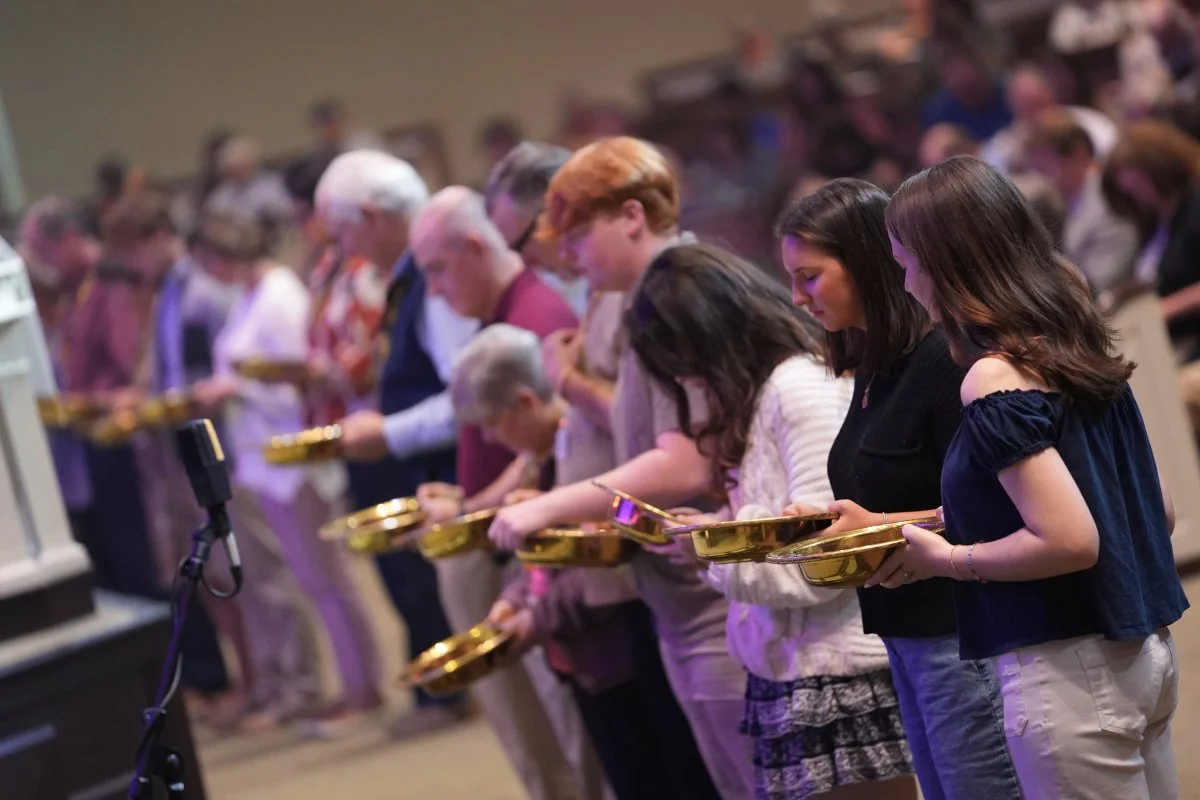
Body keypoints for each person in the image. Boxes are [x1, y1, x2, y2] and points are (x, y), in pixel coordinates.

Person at [881, 155, 1187, 799]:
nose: (906, 284)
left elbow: (1070, 538)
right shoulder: (1072, 338)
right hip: (1141, 656)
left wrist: (950, 560)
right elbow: (1154, 511)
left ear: (947, 263)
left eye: (907, 263)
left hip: (1072, 672)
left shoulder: (993, 376)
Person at [488, 136, 756, 799]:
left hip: (717, 592)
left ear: (631, 216)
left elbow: (688, 458)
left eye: (576, 237)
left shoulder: (679, 294)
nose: (566, 257)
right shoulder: (642, 297)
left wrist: (549, 507)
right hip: (678, 593)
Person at [626, 242, 917, 800]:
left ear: (712, 343)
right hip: (798, 668)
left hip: (838, 673)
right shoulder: (770, 393)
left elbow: (826, 556)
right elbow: (780, 525)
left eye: (688, 370)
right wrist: (716, 530)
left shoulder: (798, 389)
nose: (689, 386)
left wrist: (716, 552)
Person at [776, 178, 1023, 800]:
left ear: (864, 263)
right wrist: (832, 520)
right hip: (907, 635)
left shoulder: (943, 358)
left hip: (961, 630)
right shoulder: (878, 367)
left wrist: (879, 525)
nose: (797, 297)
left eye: (809, 277)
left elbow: (999, 502)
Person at [408, 186, 590, 800]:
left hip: (534, 553)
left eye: (436, 269)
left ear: (475, 246)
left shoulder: (534, 317)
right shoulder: (501, 313)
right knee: (532, 731)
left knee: (561, 736)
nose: (433, 288)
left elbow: (547, 452)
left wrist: (468, 508)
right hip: (508, 544)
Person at [189, 211, 382, 735]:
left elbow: (305, 378)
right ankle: (353, 684)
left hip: (292, 454)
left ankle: (362, 687)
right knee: (316, 579)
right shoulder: (252, 296)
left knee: (328, 580)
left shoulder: (277, 296)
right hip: (263, 456)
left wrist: (239, 389)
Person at [454, 323, 666, 800]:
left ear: (526, 402)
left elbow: (602, 557)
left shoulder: (584, 447)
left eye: (492, 422)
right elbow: (541, 560)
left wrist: (535, 615)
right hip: (582, 654)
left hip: (619, 650)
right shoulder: (541, 458)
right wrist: (514, 601)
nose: (489, 438)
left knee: (650, 778)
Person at [314, 150, 475, 738]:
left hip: (439, 465)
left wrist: (387, 430)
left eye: (346, 231)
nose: (345, 248)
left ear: (373, 214)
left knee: (438, 589)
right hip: (417, 455)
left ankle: (448, 693)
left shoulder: (432, 271)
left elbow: (468, 391)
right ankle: (441, 690)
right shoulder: (410, 273)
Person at [1101, 120, 1200, 356]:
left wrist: (1165, 309)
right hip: (1169, 341)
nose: (1139, 197)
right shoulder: (1157, 220)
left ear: (1162, 167)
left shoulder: (1195, 206)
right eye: (1131, 192)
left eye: (1140, 186)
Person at [1021, 108, 1140, 294]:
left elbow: (1097, 285)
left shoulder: (1108, 204)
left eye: (1047, 168)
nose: (1043, 180)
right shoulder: (1073, 199)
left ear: (1079, 154)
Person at [484, 141, 588, 314]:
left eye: (521, 245)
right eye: (511, 251)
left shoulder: (629, 268)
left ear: (558, 208)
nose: (522, 263)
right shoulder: (557, 289)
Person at [983, 62, 1118, 174]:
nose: (1036, 115)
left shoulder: (1089, 123)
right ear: (1014, 109)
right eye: (1026, 107)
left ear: (1049, 95)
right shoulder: (1004, 147)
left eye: (1037, 102)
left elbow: (1112, 155)